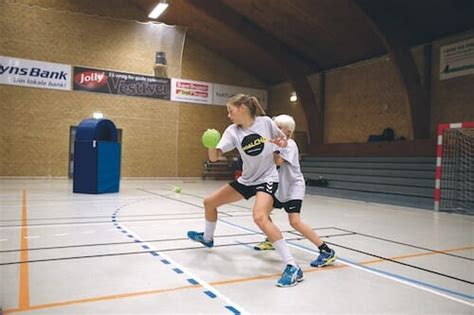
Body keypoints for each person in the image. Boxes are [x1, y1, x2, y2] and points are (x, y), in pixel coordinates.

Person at [187, 94, 304, 287]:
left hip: (267, 178)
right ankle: (207, 238)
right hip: (247, 180)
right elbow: (215, 157)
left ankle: (292, 267)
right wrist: (210, 145)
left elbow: (283, 141)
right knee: (209, 202)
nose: (228, 115)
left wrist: (278, 146)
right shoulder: (232, 131)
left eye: (231, 111)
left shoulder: (266, 122)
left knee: (259, 217)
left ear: (242, 108)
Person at [254, 114, 336, 267]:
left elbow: (278, 161)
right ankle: (271, 239)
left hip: (293, 188)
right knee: (262, 214)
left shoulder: (289, 144)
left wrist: (272, 147)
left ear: (289, 132)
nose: (275, 130)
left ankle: (326, 251)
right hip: (280, 188)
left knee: (295, 222)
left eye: (279, 128)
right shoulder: (276, 143)